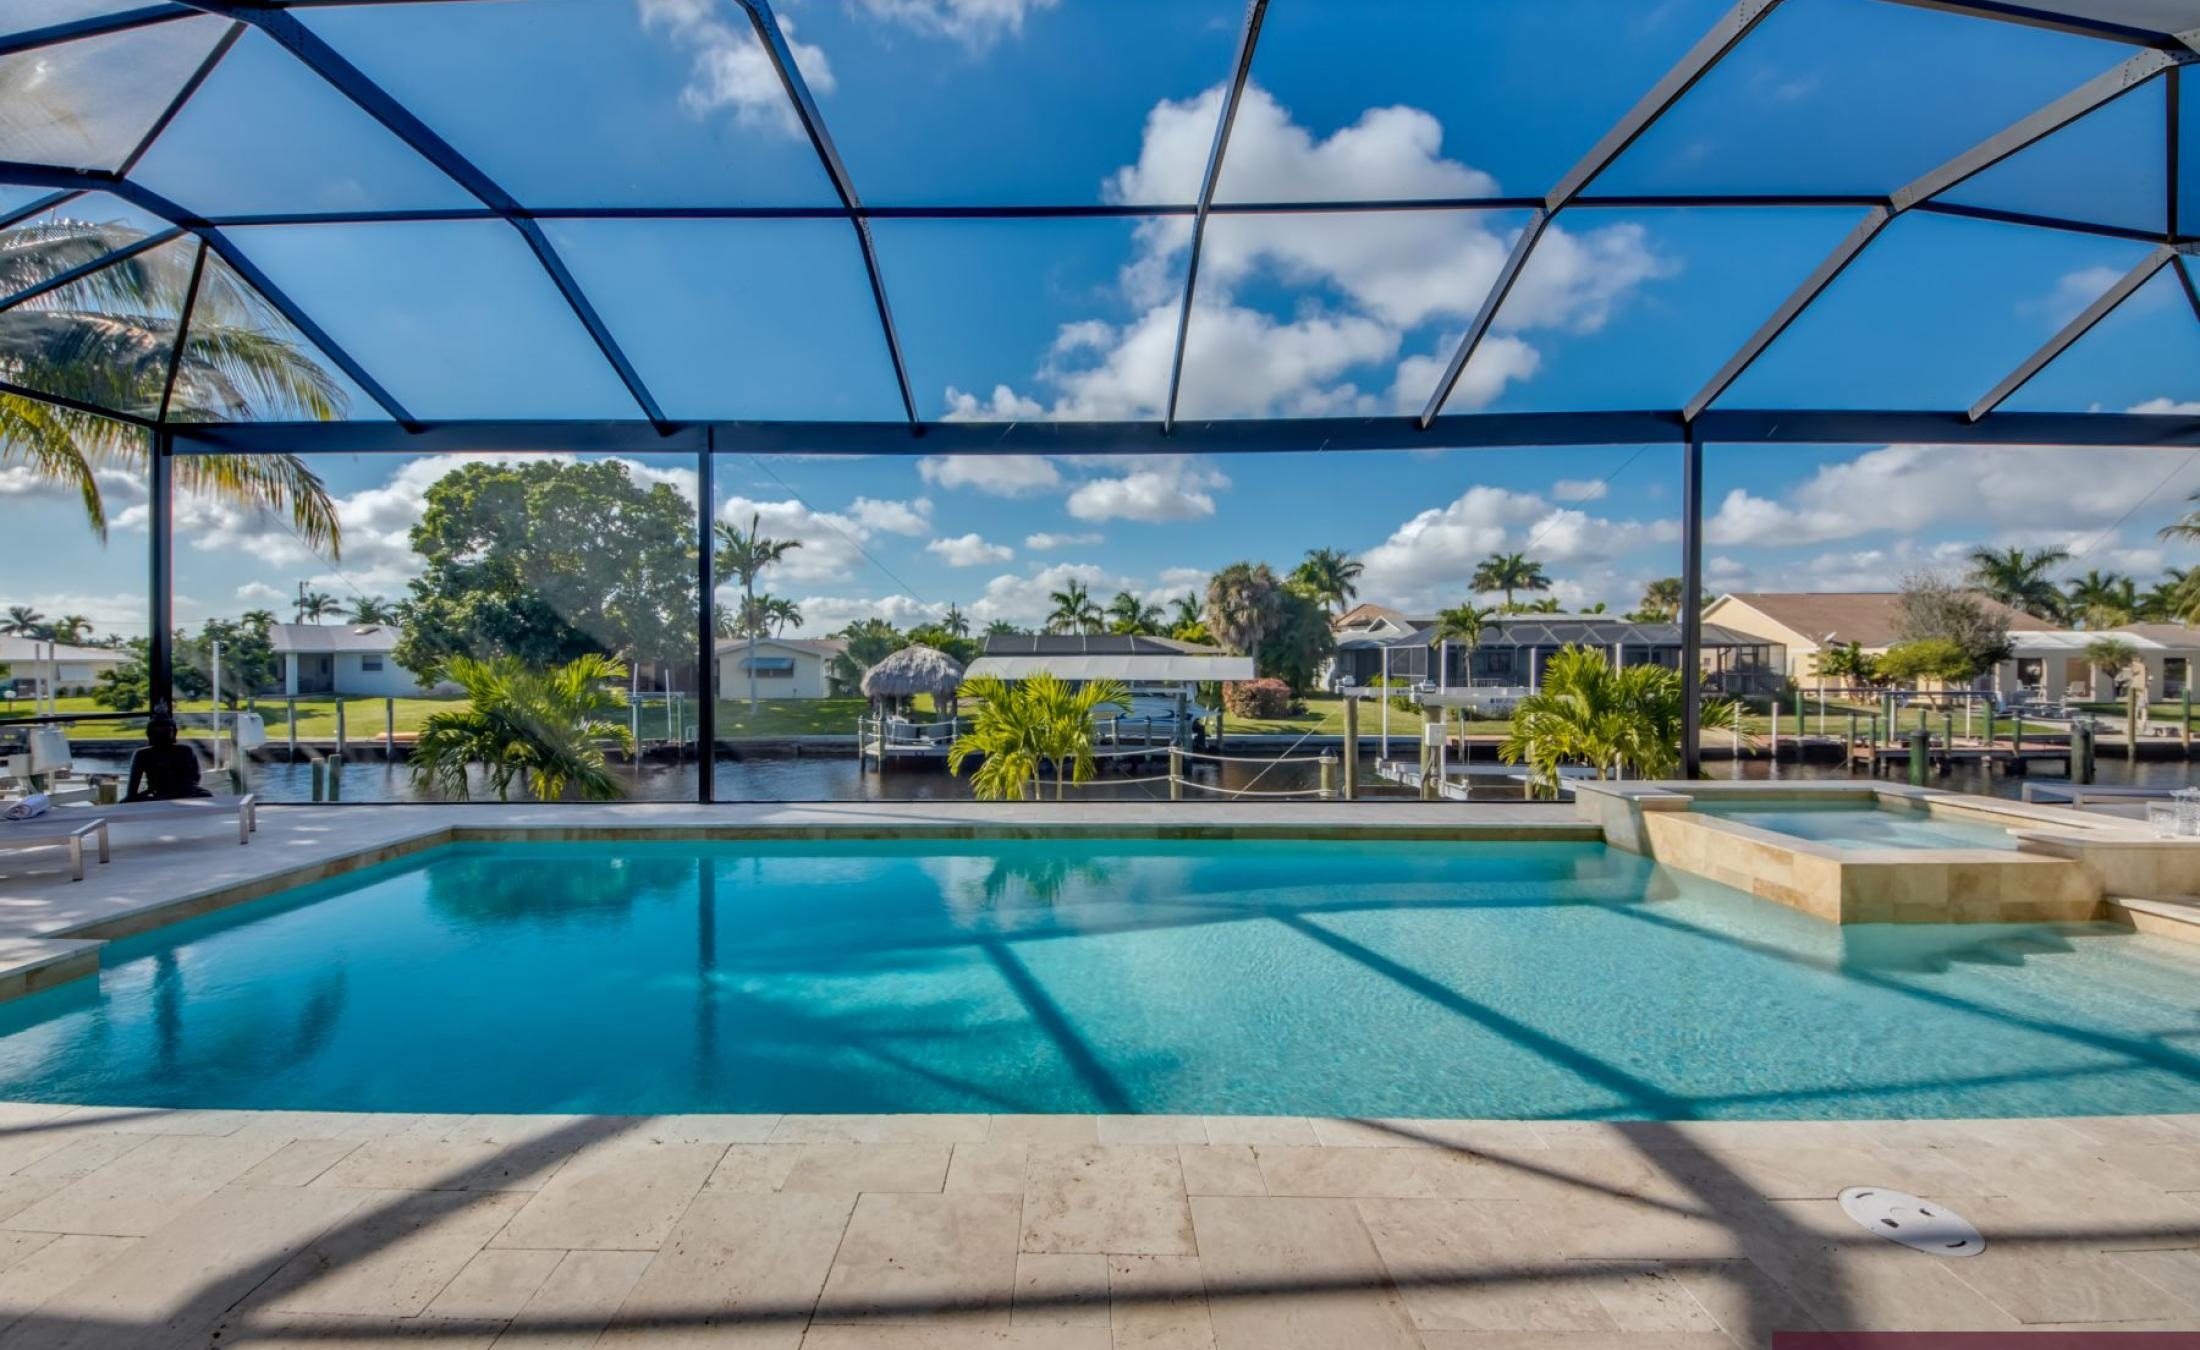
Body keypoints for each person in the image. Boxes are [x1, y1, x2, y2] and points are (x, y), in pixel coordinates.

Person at [125, 713, 210, 802]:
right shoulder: (142, 754)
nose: (161, 735)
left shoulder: (185, 751)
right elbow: (132, 790)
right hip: (158, 793)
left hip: (186, 792)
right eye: (157, 732)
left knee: (205, 795)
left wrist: (180, 790)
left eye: (166, 731)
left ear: (175, 733)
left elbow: (195, 778)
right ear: (149, 734)